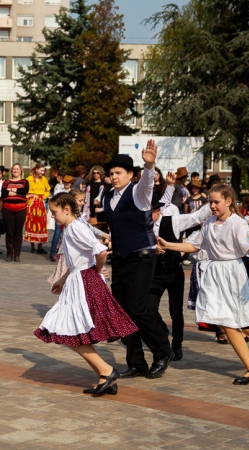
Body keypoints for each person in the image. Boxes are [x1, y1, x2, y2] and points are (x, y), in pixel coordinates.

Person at [159, 184, 249, 385]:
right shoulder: (209, 222)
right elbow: (194, 245)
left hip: (235, 273)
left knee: (248, 327)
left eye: (216, 202)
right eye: (210, 202)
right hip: (215, 275)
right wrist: (169, 245)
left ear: (228, 201)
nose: (212, 206)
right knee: (227, 324)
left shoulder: (237, 223)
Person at [35, 193, 138, 396]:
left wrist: (97, 270)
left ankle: (107, 371)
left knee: (69, 332)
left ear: (66, 209)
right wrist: (62, 280)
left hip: (83, 283)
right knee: (77, 332)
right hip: (79, 279)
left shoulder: (74, 227)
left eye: (54, 212)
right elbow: (79, 259)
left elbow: (99, 251)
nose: (53, 216)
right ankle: (104, 376)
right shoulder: (75, 226)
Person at [102, 142, 174, 379]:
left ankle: (162, 351)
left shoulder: (138, 191)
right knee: (122, 312)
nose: (114, 177)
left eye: (119, 172)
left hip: (142, 256)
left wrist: (149, 164)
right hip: (121, 258)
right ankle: (136, 362)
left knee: (136, 307)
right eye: (111, 173)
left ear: (130, 174)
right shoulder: (108, 197)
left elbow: (147, 181)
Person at [150, 175, 212, 361]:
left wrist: (214, 201)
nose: (146, 217)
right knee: (149, 308)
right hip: (154, 273)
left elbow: (196, 216)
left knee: (176, 311)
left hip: (174, 271)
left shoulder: (173, 220)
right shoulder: (141, 227)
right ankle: (162, 337)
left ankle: (177, 345)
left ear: (158, 211)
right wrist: (153, 248)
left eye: (149, 213)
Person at [2, 164, 30, 262]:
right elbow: (3, 192)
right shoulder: (6, 181)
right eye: (14, 169)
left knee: (18, 232)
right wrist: (17, 191)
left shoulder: (25, 181)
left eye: (17, 169)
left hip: (21, 209)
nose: (16, 170)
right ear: (11, 171)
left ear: (21, 171)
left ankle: (17, 255)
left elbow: (24, 191)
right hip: (7, 209)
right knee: (9, 232)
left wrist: (11, 190)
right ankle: (9, 254)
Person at [25, 163, 51, 254]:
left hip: (40, 203)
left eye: (43, 171)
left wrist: (44, 197)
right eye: (41, 170)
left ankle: (40, 246)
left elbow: (48, 190)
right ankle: (32, 245)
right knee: (32, 222)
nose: (42, 172)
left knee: (41, 223)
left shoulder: (43, 179)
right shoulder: (28, 179)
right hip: (31, 203)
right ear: (36, 169)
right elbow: (24, 191)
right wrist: (29, 197)